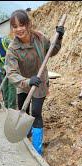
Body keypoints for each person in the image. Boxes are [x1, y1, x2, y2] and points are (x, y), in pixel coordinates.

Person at [5, 9, 64, 155]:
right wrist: (26, 81)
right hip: (23, 83)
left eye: (22, 25)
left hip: (40, 82)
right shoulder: (13, 49)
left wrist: (59, 37)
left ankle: (37, 149)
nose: (19, 29)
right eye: (15, 26)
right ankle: (26, 136)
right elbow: (11, 73)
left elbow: (52, 51)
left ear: (28, 24)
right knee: (22, 110)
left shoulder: (39, 38)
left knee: (36, 112)